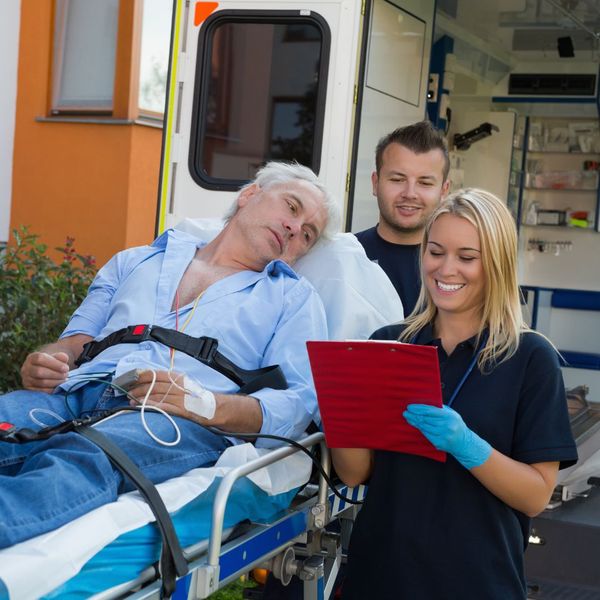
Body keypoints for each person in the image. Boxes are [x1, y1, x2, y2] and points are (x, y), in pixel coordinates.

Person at [0, 161, 339, 549]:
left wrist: (208, 405)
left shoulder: (293, 299)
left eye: (307, 235)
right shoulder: (135, 260)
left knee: (78, 460)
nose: (295, 228)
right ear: (250, 194)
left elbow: (299, 403)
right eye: (292, 208)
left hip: (173, 420)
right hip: (76, 394)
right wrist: (47, 360)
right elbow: (74, 343)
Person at [333, 188, 577, 599]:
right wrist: (342, 411)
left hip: (476, 582)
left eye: (467, 257)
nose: (446, 269)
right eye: (435, 251)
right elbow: (356, 473)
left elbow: (536, 496)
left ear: (496, 265)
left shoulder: (530, 358)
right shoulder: (390, 345)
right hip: (382, 577)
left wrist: (467, 446)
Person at [355, 120, 450, 314]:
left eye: (424, 183)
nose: (410, 193)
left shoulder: (456, 271)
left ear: (444, 190)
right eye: (397, 180)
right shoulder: (346, 257)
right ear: (375, 183)